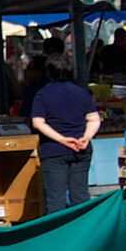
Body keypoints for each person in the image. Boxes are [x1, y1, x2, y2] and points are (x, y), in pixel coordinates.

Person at [29, 59, 101, 214]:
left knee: (56, 199)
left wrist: (62, 139)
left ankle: (58, 235)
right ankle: (83, 232)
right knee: (81, 196)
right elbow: (94, 119)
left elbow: (37, 122)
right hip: (81, 149)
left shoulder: (43, 94)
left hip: (54, 150)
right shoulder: (82, 92)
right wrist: (85, 138)